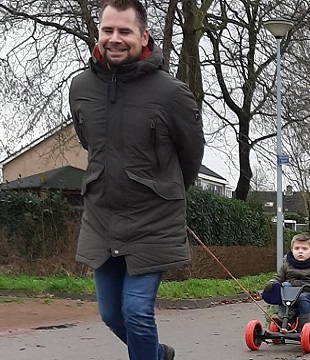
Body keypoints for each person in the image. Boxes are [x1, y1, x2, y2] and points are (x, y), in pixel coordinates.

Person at [68, 1, 205, 359]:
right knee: (111, 314)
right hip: (102, 217)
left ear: (143, 36)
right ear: (98, 32)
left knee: (137, 311)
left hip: (153, 220)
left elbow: (191, 156)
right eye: (107, 30)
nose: (115, 39)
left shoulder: (171, 93)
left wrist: (163, 191)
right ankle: (157, 355)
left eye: (124, 31)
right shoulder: (81, 87)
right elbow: (92, 144)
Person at [264, 233, 310, 329]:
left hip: (309, 296)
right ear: (292, 250)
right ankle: (282, 318)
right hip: (290, 297)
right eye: (297, 248)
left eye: (304, 249)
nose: (300, 251)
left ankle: (304, 325)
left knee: (303, 297)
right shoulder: (287, 265)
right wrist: (272, 283)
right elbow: (278, 277)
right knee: (285, 285)